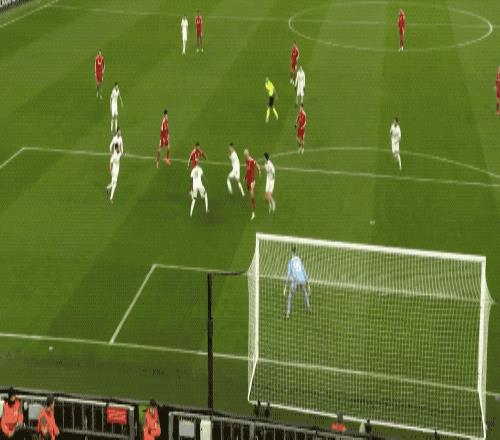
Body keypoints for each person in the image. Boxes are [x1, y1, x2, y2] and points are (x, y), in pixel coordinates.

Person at [284, 246, 310, 318]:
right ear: (296, 251)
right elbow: (304, 272)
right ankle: (308, 308)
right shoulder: (300, 260)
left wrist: (285, 287)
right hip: (303, 280)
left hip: (296, 281)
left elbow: (288, 275)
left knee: (290, 296)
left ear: (291, 252)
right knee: (305, 293)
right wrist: (308, 283)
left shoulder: (290, 262)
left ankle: (288, 313)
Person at [244, 149, 260, 220]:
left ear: (248, 154)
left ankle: (253, 213)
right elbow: (247, 169)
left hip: (252, 180)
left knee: (252, 196)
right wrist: (245, 177)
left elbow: (257, 165)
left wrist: (259, 171)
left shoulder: (252, 160)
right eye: (244, 155)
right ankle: (249, 190)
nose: (245, 156)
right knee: (248, 188)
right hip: (248, 179)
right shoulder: (246, 160)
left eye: (246, 154)